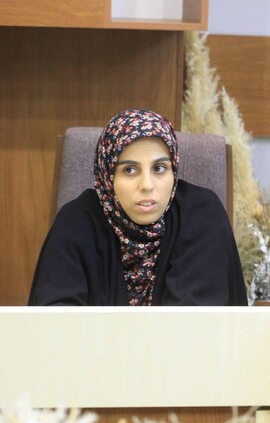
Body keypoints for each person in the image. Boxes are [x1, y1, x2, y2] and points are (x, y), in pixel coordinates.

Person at [29, 109, 247, 306]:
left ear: (174, 171)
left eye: (159, 168)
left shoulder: (202, 215)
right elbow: (55, 320)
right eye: (130, 170)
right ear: (108, 175)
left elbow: (194, 323)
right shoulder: (76, 221)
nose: (147, 185)